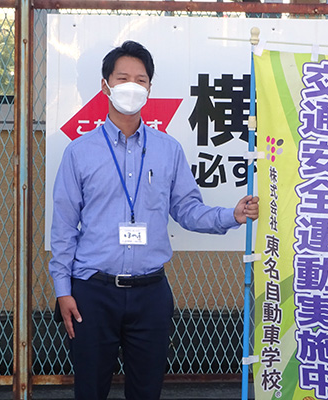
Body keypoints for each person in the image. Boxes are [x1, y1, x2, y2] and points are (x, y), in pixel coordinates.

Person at [49, 40, 259, 400]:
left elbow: (188, 210)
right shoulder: (79, 152)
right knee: (89, 390)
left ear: (149, 88)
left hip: (151, 294)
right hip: (92, 293)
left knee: (147, 391)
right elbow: (64, 228)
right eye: (123, 78)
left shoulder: (167, 150)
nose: (132, 86)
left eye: (141, 79)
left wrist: (232, 215)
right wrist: (62, 290)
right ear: (106, 85)